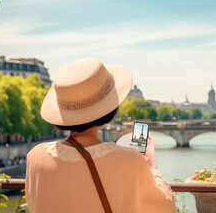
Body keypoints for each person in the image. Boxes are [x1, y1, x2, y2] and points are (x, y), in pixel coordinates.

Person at [25, 58, 176, 213]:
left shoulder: (36, 156)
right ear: (109, 109)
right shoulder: (129, 160)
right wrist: (151, 165)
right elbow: (165, 207)